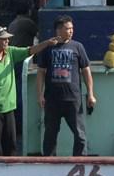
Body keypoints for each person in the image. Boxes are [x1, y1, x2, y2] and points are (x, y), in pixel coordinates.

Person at [0, 26, 58, 156]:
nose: (7, 42)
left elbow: (30, 50)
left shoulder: (11, 53)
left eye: (8, 39)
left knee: (11, 144)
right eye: (4, 39)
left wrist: (47, 43)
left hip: (9, 108)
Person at [36, 15, 96, 156]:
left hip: (73, 99)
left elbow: (86, 71)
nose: (71, 31)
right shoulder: (47, 48)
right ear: (58, 30)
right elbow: (40, 73)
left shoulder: (78, 46)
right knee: (50, 134)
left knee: (80, 135)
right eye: (67, 28)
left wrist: (91, 94)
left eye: (72, 28)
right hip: (52, 100)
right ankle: (49, 163)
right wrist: (39, 95)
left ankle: (80, 162)